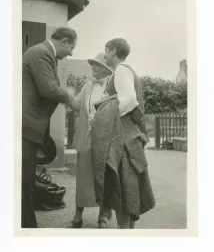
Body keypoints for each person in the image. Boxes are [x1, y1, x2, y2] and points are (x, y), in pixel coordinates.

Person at [90, 38, 155, 229]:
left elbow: (129, 99)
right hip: (128, 134)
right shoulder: (126, 70)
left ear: (112, 51)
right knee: (128, 187)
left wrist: (104, 117)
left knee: (123, 188)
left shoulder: (121, 70)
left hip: (123, 135)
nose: (104, 53)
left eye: (105, 50)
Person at [22, 27, 77, 228]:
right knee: (24, 184)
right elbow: (48, 89)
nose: (71, 53)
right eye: (72, 47)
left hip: (27, 127)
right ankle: (26, 232)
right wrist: (71, 99)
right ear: (64, 41)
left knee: (25, 182)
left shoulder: (43, 54)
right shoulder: (41, 53)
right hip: (25, 127)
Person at [65, 53, 112, 229]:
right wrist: (65, 95)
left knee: (104, 176)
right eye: (92, 65)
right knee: (83, 176)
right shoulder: (87, 87)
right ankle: (78, 217)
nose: (93, 68)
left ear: (106, 69)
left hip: (106, 137)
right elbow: (76, 105)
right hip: (87, 136)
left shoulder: (113, 87)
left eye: (96, 65)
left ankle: (102, 217)